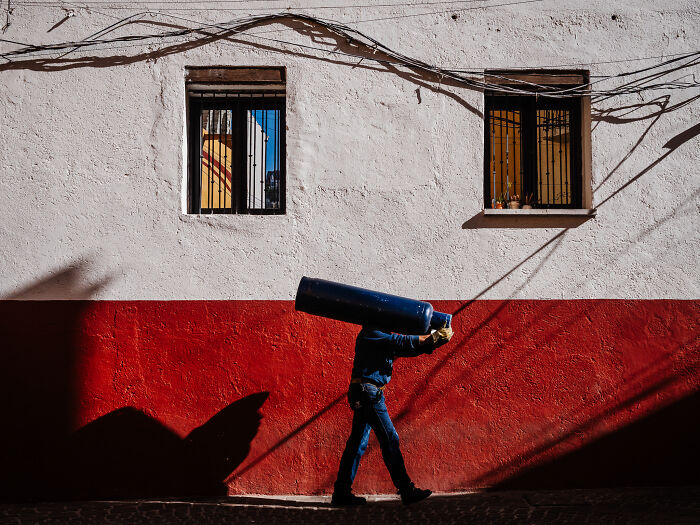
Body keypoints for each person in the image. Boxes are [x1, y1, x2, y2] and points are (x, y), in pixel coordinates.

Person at [331, 323, 454, 506]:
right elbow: (402, 341)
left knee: (357, 443)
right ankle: (406, 490)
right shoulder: (372, 332)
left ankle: (341, 493)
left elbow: (406, 349)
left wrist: (434, 342)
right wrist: (432, 337)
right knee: (389, 439)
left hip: (365, 391)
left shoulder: (380, 337)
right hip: (368, 392)